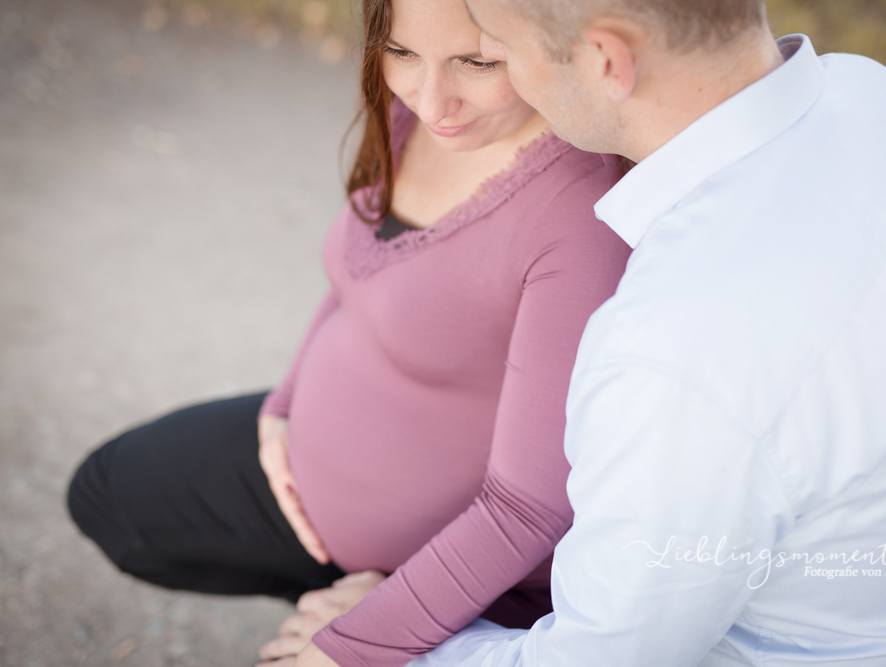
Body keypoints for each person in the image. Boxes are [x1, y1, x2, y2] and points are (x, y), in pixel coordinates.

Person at [291, 0, 886, 666]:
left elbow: (600, 655)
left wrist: (390, 642)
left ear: (606, 60)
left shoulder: (673, 356)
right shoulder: (883, 102)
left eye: (496, 48)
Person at [65, 0, 631, 664]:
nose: (431, 99)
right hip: (308, 465)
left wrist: (350, 643)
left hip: (462, 556)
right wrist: (286, 399)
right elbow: (356, 275)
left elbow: (529, 510)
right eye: (400, 53)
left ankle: (391, 598)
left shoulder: (579, 212)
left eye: (476, 62)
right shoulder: (411, 116)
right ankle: (339, 585)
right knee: (109, 494)